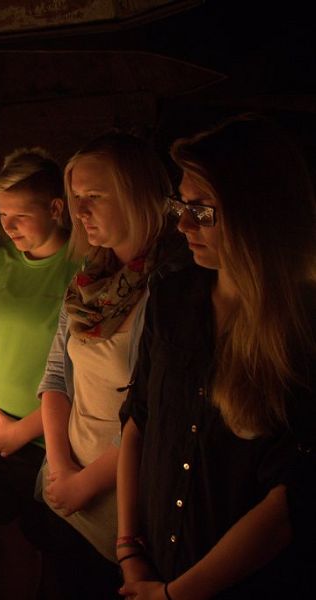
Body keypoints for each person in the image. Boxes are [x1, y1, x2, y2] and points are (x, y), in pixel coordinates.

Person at [117, 115, 316, 599]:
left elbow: (290, 500)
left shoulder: (302, 331)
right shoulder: (172, 298)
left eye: (203, 210)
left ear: (258, 215)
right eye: (182, 205)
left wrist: (177, 594)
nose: (183, 224)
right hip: (153, 569)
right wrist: (128, 551)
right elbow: (139, 417)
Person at [36, 132, 184, 599]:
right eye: (76, 196)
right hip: (62, 488)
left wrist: (85, 484)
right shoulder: (88, 282)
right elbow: (57, 375)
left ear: (139, 194)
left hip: (124, 511)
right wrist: (59, 467)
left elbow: (157, 415)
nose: (79, 212)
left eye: (95, 197)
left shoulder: (173, 290)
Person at [0, 147, 77, 598]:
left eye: (20, 216)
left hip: (52, 443)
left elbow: (88, 376)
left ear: (55, 208)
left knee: (52, 551)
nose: (8, 227)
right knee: (4, 540)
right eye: (2, 215)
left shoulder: (84, 268)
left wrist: (23, 432)